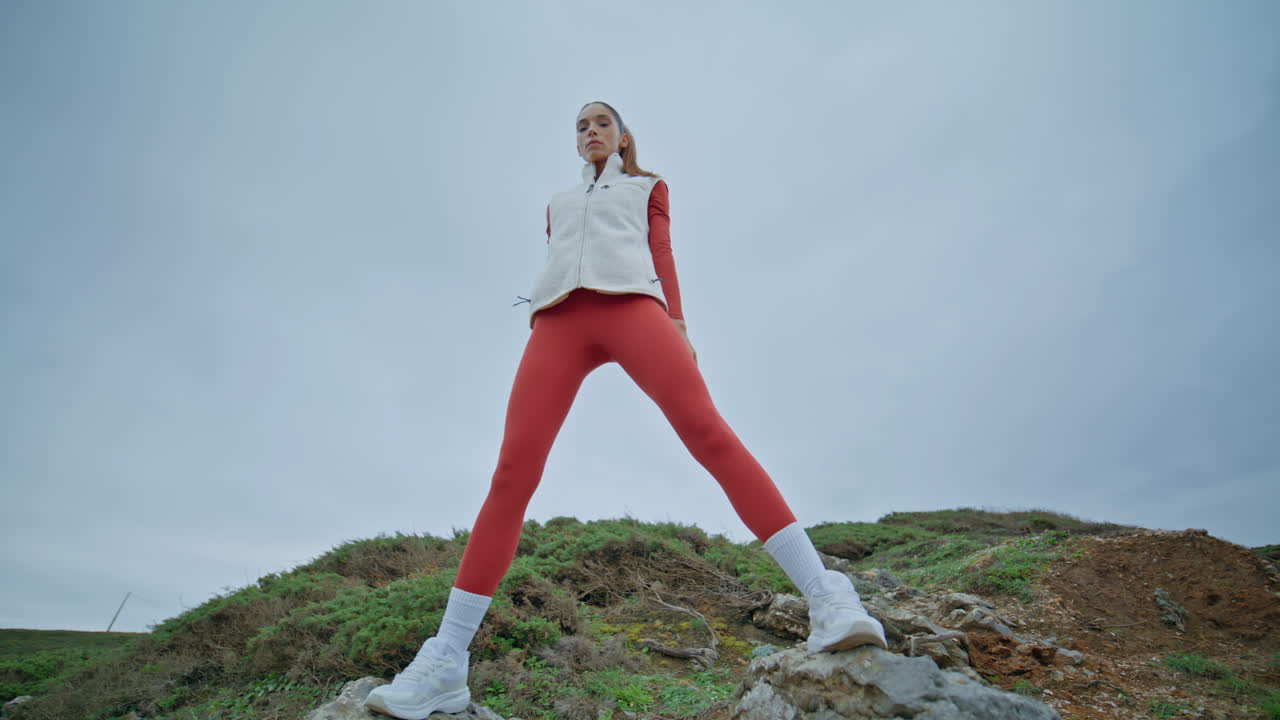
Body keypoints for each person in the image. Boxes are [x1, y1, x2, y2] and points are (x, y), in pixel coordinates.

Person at [364, 101, 886, 720]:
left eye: (601, 123)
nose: (590, 132)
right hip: (558, 322)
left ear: (622, 136)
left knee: (708, 433)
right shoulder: (559, 202)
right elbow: (563, 255)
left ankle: (829, 596)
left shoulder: (647, 186)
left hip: (634, 309)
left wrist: (679, 322)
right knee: (510, 477)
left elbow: (661, 251)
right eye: (581, 126)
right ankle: (445, 661)